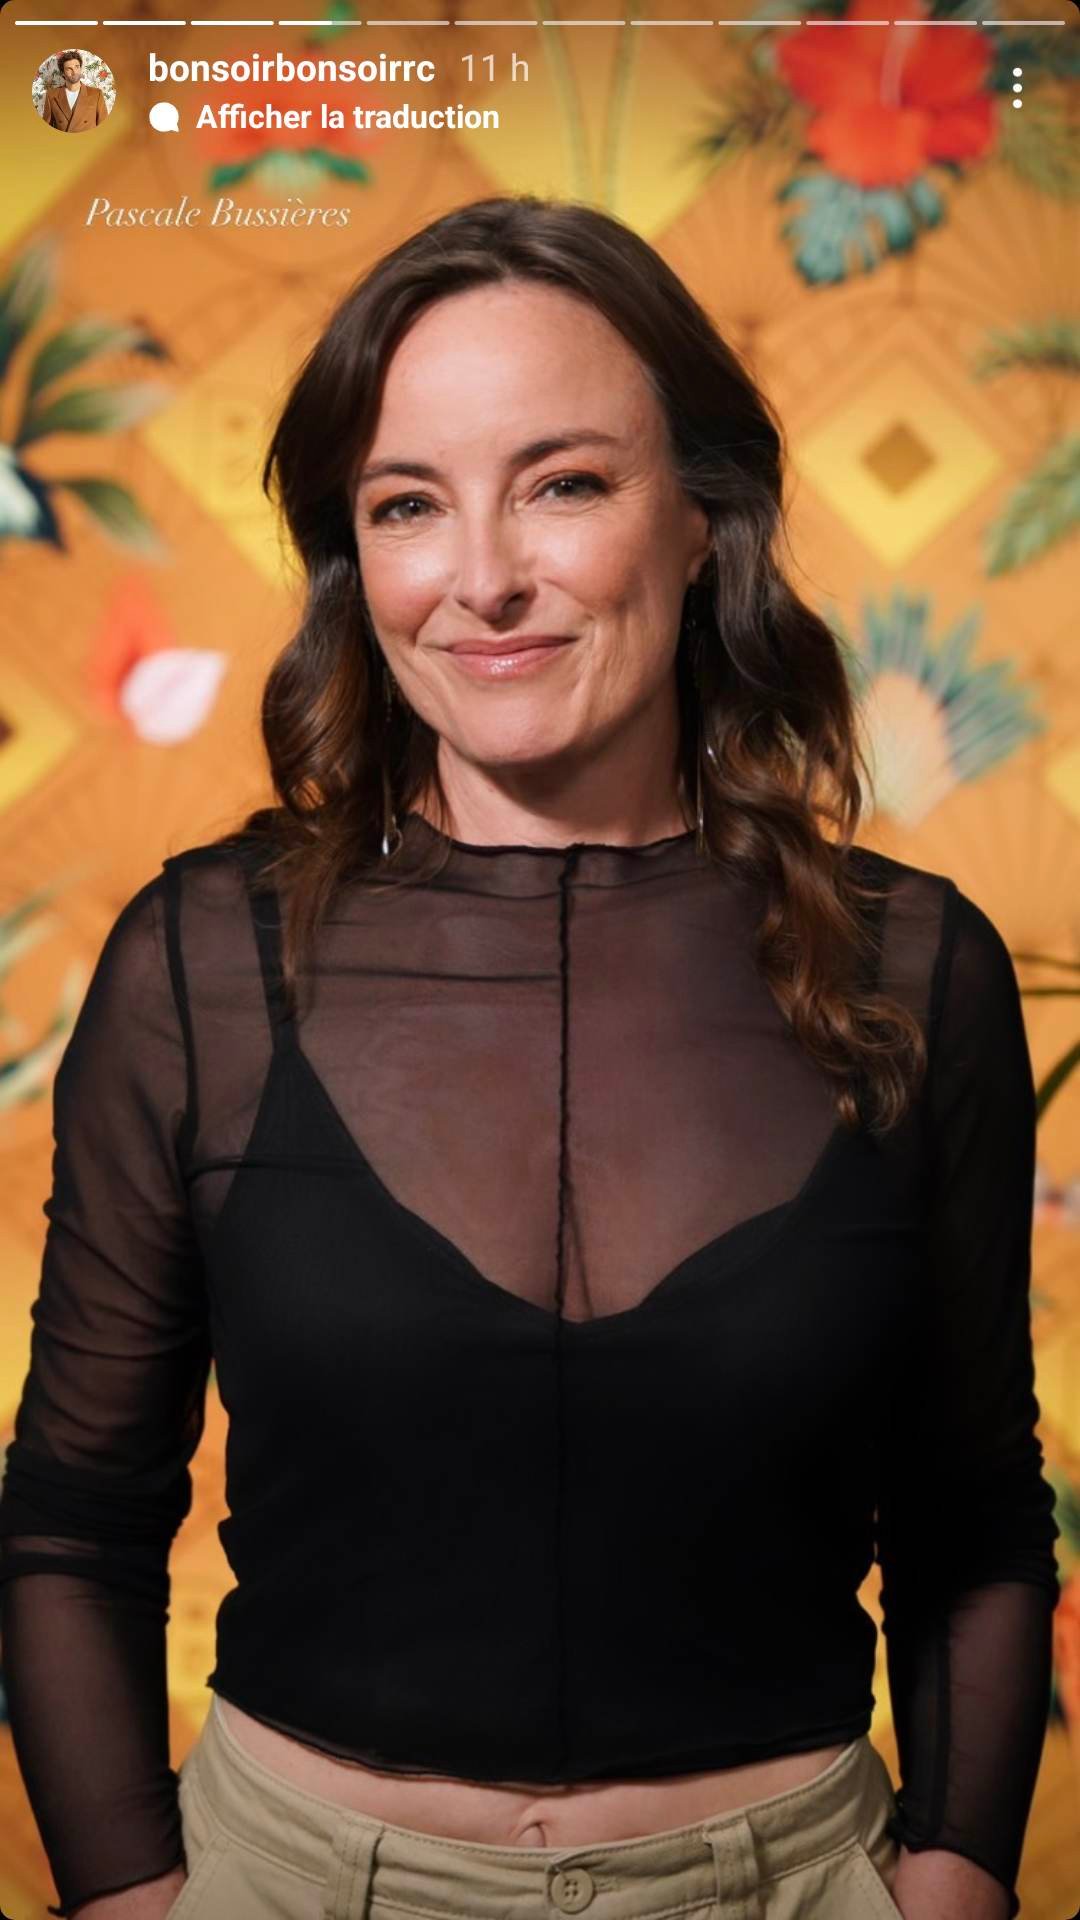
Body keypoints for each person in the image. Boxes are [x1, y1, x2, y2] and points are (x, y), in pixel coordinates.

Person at [0, 194, 1060, 1920]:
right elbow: (70, 1517)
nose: (482, 575)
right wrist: (130, 1899)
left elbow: (974, 1515)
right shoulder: (198, 962)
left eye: (562, 484)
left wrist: (953, 1882)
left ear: (703, 516)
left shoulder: (915, 971)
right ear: (356, 558)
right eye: (408, 503)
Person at [40, 51, 108, 132]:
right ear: (62, 73)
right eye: (69, 69)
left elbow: (103, 128)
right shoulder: (51, 95)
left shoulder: (96, 94)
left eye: (77, 67)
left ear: (80, 68)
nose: (74, 72)